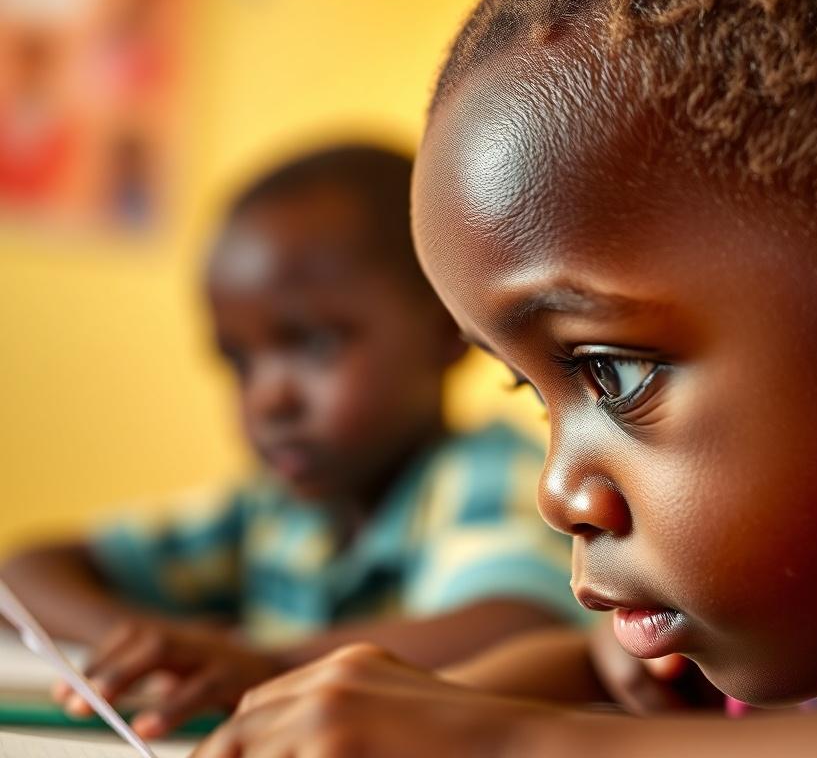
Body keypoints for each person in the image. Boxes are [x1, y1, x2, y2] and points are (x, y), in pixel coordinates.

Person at [190, 0, 817, 755]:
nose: (558, 493)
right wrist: (410, 712)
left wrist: (517, 744)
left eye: (614, 374)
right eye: (532, 391)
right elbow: (601, 673)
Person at [0, 144, 581, 739]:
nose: (268, 399)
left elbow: (517, 624)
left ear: (447, 328)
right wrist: (142, 647)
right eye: (238, 361)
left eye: (312, 345)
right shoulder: (274, 507)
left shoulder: (487, 473)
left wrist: (270, 665)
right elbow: (27, 569)